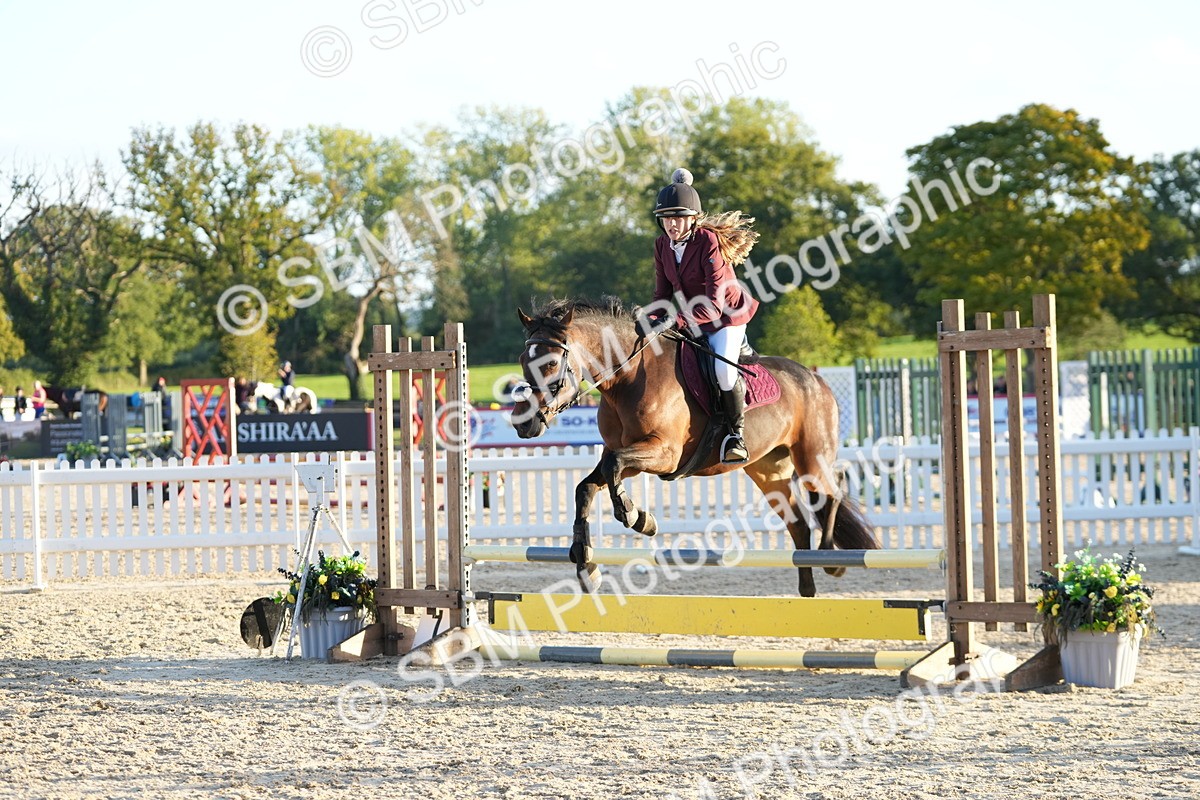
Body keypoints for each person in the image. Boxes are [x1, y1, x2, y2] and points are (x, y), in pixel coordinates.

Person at [637, 168, 760, 463]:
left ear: (693, 219)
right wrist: (649, 318)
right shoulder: (661, 246)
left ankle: (735, 434)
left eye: (678, 218)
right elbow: (662, 294)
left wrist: (674, 320)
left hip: (726, 315)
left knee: (723, 372)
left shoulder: (707, 241)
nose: (672, 224)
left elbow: (715, 305)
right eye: (667, 218)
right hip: (692, 314)